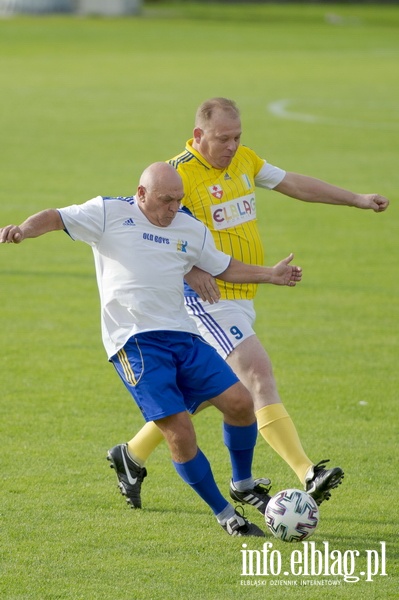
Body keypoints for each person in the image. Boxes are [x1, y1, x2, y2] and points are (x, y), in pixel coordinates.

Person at [108, 97, 389, 513]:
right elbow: (156, 232)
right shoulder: (179, 176)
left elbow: (292, 182)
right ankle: (306, 471)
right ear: (199, 135)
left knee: (207, 395)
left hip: (241, 297)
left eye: (238, 137)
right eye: (224, 138)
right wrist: (190, 273)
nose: (233, 146)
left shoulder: (245, 162)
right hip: (208, 301)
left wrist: (354, 198)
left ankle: (130, 456)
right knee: (258, 376)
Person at [0, 161, 304, 536]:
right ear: (141, 194)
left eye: (178, 200)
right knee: (179, 431)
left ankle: (241, 483)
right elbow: (57, 217)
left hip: (184, 335)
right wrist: (24, 231)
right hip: (135, 342)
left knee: (241, 403)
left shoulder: (189, 228)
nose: (173, 208)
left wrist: (270, 275)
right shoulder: (109, 212)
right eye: (165, 200)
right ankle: (226, 515)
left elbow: (223, 267)